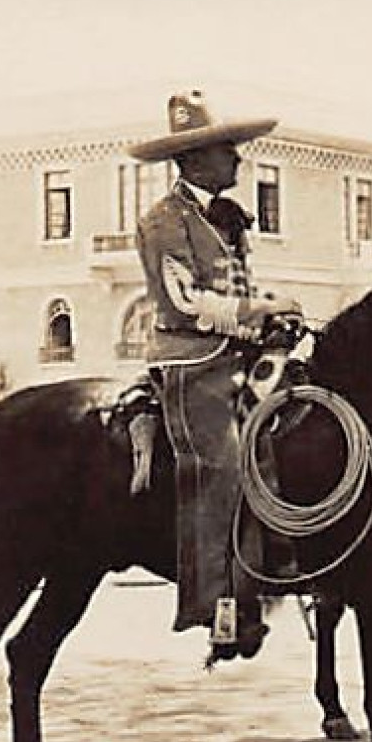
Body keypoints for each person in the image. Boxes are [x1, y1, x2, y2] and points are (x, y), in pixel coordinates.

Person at [129, 90, 303, 663]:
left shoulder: (225, 218)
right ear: (196, 160)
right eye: (228, 151)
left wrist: (272, 320)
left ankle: (281, 553)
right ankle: (219, 604)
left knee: (295, 415)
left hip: (236, 354)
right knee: (223, 459)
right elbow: (183, 303)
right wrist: (257, 312)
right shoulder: (163, 221)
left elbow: (237, 293)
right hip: (190, 361)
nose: (237, 160)